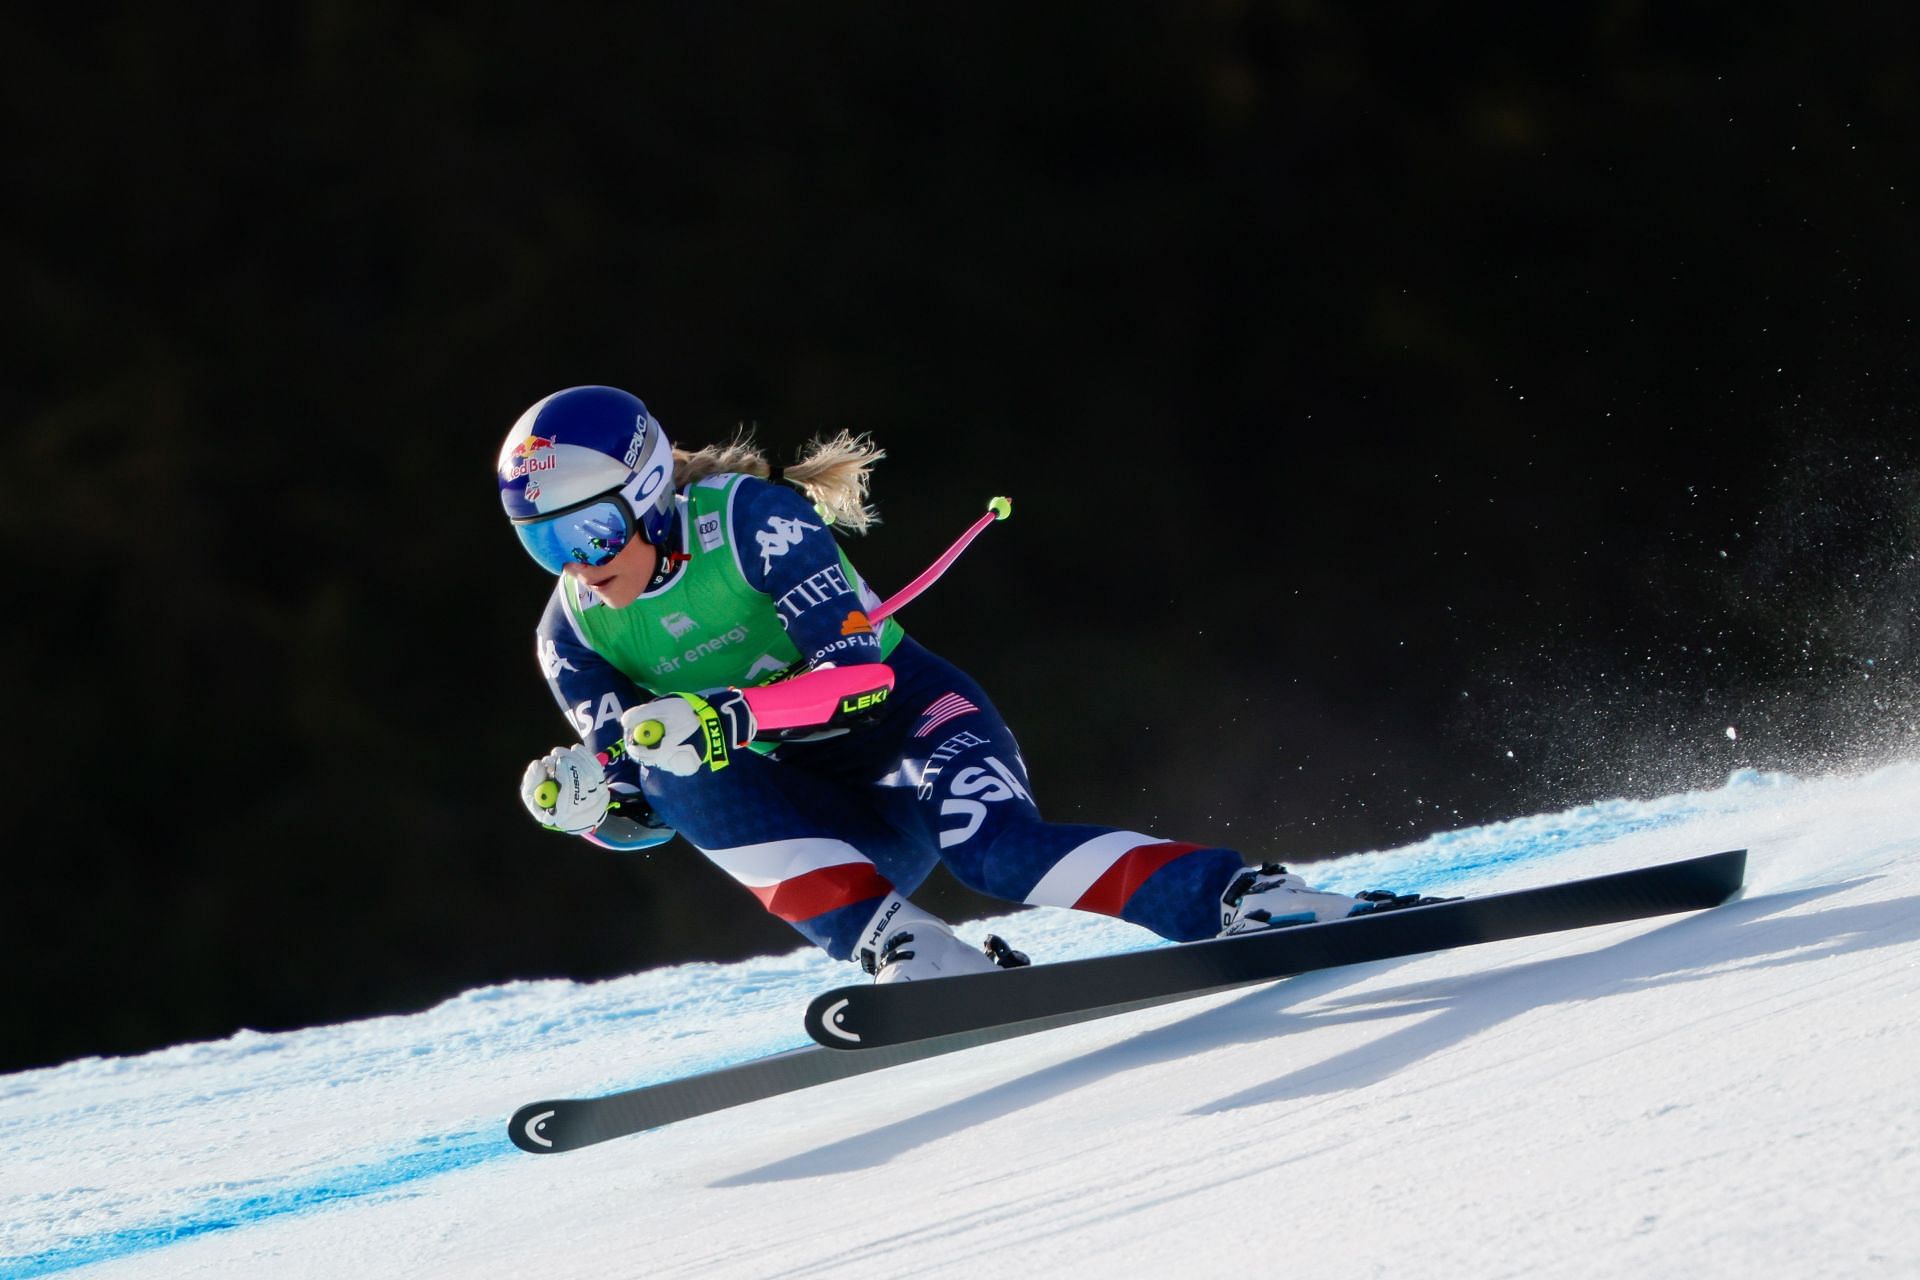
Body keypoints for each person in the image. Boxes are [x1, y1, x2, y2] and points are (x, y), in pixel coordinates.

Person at [503, 385, 1415, 982]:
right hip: (836, 829)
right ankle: (910, 951)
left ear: (654, 490)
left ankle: (1240, 900)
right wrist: (593, 803)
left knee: (999, 857)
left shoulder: (751, 523)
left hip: (911, 727)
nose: (579, 567)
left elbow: (856, 680)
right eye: (544, 543)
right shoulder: (572, 632)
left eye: (588, 533)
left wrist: (726, 716)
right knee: (667, 757)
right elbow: (652, 802)